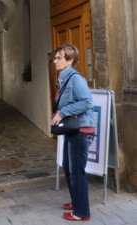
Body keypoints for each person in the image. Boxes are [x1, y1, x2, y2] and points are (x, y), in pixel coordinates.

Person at [51, 44, 95, 221]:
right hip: (73, 129)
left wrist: (62, 112)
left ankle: (82, 212)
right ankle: (77, 202)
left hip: (81, 130)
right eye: (54, 58)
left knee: (76, 171)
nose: (55, 61)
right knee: (69, 168)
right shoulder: (63, 79)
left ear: (70, 60)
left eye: (59, 58)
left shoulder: (75, 79)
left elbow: (87, 102)